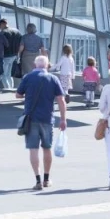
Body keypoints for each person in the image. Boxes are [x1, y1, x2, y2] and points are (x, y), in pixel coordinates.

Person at [16, 55, 67, 191]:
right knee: (47, 148)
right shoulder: (53, 79)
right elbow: (61, 100)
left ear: (35, 65)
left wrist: (28, 95)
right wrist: (63, 119)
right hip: (47, 118)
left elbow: (18, 95)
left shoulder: (27, 77)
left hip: (31, 118)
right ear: (47, 65)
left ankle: (37, 179)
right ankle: (46, 179)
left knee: (33, 149)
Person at [0, 19, 22, 92]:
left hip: (6, 55)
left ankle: (8, 89)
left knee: (3, 74)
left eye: (0, 25)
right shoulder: (16, 31)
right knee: (9, 73)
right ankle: (11, 88)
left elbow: (1, 45)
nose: (0, 27)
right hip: (14, 55)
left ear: (2, 24)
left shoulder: (3, 32)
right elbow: (21, 42)